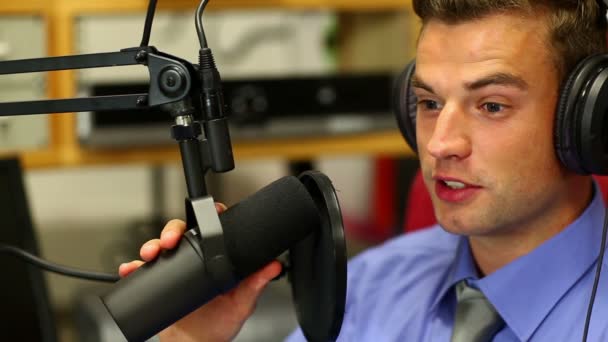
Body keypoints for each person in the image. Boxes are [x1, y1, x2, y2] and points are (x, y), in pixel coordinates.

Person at [119, 0, 608, 340]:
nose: (439, 144)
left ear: (587, 120)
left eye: (493, 106)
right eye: (430, 102)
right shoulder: (370, 285)